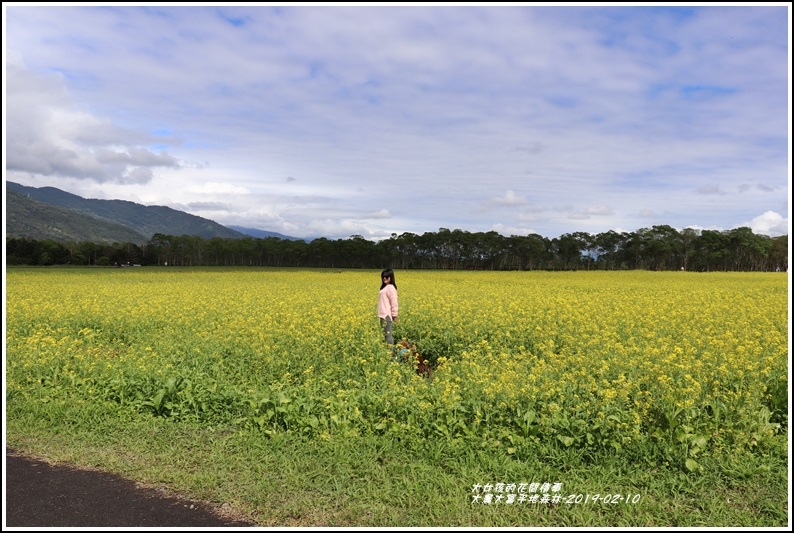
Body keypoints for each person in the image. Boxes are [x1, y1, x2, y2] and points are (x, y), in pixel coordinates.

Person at [377, 268, 399, 349]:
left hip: (386, 316)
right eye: (383, 277)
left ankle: (392, 356)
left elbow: (394, 302)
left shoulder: (391, 288)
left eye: (386, 277)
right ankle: (388, 354)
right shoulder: (385, 287)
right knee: (385, 336)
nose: (384, 278)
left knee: (388, 337)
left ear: (391, 277)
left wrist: (395, 314)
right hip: (383, 315)